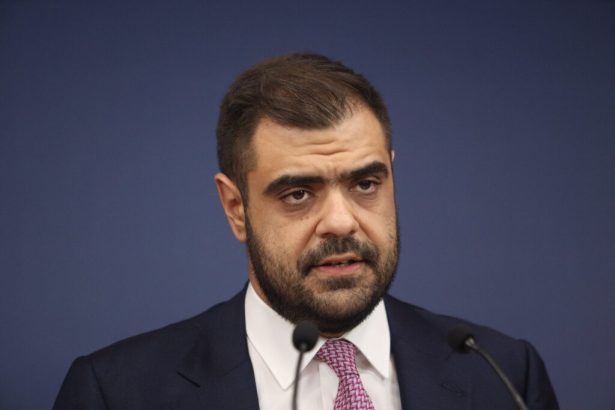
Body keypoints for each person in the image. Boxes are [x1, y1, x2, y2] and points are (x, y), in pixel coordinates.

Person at [54, 53, 559, 409]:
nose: (341, 221)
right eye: (298, 193)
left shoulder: (503, 373)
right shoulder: (116, 393)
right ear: (236, 208)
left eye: (365, 184)